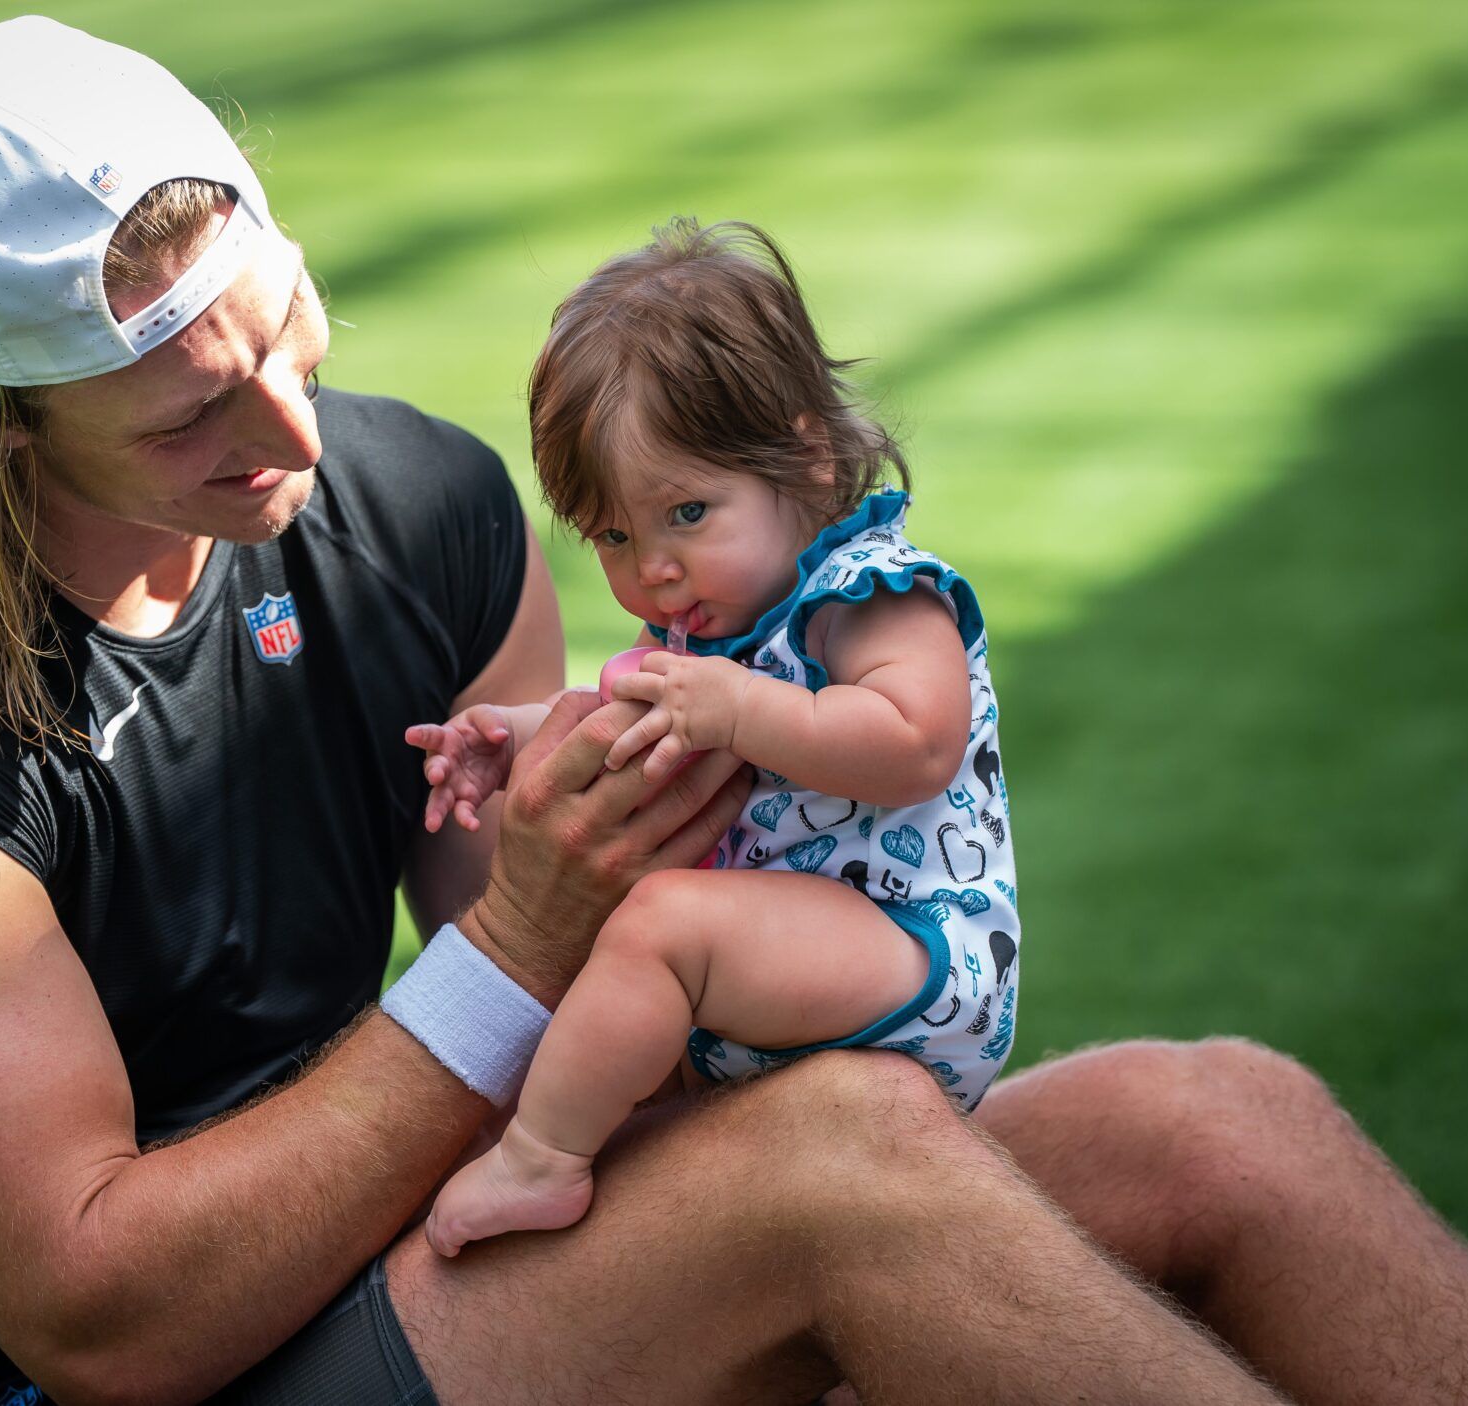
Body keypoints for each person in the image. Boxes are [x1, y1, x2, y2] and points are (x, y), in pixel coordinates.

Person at [0, 15, 1468, 1406]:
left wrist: (686, 786)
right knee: (834, 1169)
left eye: (287, 327)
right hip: (118, 1371)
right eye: (190, 419)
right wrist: (531, 934)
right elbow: (107, 1322)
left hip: (413, 1256)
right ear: (0, 417)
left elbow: (609, 996)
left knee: (1216, 1120)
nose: (292, 438)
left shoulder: (414, 509)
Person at [414, 220, 1020, 1257]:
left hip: (915, 951)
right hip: (783, 961)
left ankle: (540, 1159)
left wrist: (738, 709)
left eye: (687, 510)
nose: (651, 568)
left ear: (807, 455)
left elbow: (917, 736)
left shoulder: (866, 594)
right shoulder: (718, 629)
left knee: (663, 924)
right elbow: (618, 719)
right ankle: (585, 1143)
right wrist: (510, 735)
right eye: (613, 534)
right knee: (625, 940)